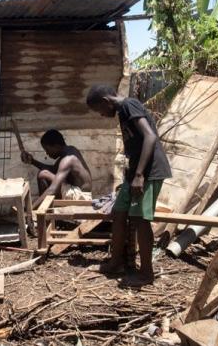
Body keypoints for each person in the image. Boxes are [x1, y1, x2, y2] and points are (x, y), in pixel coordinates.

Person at [86, 85, 172, 285]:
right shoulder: (123, 113)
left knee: (141, 220)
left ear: (107, 101)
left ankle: (146, 274)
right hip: (134, 174)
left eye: (99, 110)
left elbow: (150, 137)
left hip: (149, 172)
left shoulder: (129, 105)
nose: (101, 114)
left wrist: (140, 175)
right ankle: (116, 263)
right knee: (119, 212)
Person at [21, 129, 93, 209]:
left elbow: (52, 190)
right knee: (45, 173)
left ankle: (42, 211)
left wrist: (31, 209)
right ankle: (43, 208)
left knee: (43, 174)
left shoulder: (67, 160)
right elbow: (54, 169)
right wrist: (32, 161)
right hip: (78, 193)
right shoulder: (70, 150)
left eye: (47, 150)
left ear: (56, 146)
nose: (47, 153)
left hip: (80, 197)